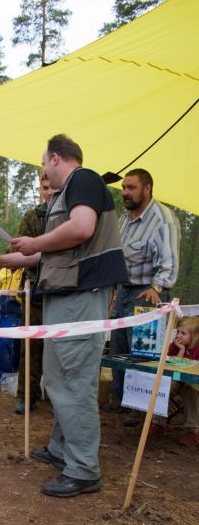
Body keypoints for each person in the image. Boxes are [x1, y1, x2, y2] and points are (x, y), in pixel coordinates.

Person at [3, 133, 128, 497]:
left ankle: (84, 469)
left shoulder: (84, 179)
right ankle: (62, 450)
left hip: (80, 296)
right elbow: (48, 254)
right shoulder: (65, 195)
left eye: (43, 163)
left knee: (75, 381)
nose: (43, 170)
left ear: (56, 158)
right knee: (57, 377)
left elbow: (82, 228)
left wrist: (36, 242)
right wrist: (3, 258)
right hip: (65, 294)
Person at [109, 169, 180, 402]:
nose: (125, 193)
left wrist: (156, 289)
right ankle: (122, 403)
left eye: (131, 188)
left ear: (147, 188)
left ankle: (142, 409)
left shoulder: (162, 219)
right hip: (123, 291)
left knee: (142, 356)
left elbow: (169, 264)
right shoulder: (126, 217)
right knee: (118, 351)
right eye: (123, 188)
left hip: (148, 294)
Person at [14, 173, 54, 415]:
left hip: (61, 290)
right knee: (30, 345)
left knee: (57, 346)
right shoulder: (32, 216)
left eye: (52, 187)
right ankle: (26, 396)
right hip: (35, 288)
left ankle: (54, 398)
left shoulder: (71, 215)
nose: (48, 192)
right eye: (45, 187)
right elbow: (16, 248)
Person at [149, 317, 199, 446]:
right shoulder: (175, 346)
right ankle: (158, 423)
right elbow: (170, 365)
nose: (178, 336)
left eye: (183, 333)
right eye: (178, 332)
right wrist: (181, 351)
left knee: (189, 390)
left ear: (194, 335)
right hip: (178, 379)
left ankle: (192, 431)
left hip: (195, 382)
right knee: (164, 385)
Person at [0, 265, 24, 396]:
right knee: (0, 344)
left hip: (15, 311)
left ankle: (12, 377)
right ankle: (3, 376)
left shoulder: (23, 272)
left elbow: (25, 294)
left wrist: (18, 296)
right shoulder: (3, 271)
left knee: (9, 342)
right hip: (0, 311)